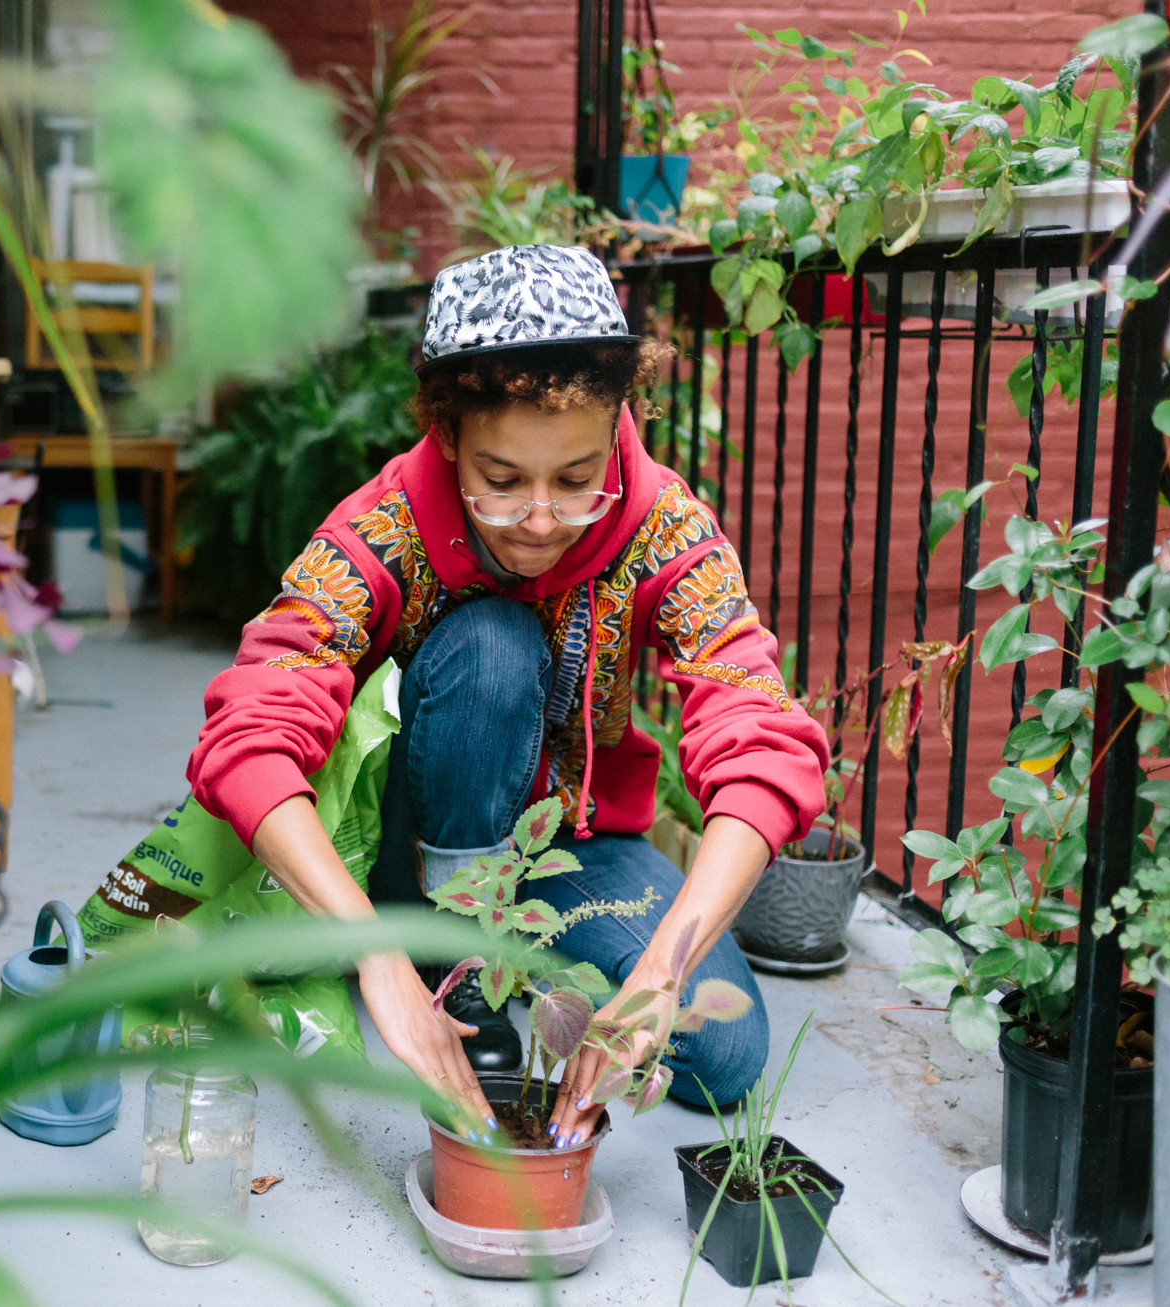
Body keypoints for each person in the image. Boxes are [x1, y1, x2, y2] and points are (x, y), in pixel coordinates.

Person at [186, 244, 829, 1149]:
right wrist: (374, 956)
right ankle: (443, 955)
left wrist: (664, 966)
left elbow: (762, 734)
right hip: (408, 851)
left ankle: (522, 951)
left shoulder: (665, 524)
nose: (540, 520)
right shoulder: (383, 527)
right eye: (501, 480)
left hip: (570, 844)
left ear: (621, 423)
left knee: (720, 1057)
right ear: (448, 437)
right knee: (493, 646)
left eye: (575, 480)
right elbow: (249, 732)